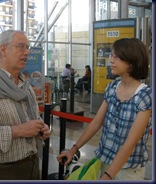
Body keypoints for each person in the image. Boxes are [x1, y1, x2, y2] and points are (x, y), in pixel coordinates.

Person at [57, 38, 152, 180]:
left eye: (117, 57)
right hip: (105, 161)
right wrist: (73, 150)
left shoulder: (145, 96)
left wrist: (108, 176)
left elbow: (130, 142)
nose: (111, 60)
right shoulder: (113, 87)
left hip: (128, 170)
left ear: (132, 62)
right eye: (111, 56)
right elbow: (96, 123)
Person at [0, 30, 51, 180]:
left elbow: (33, 117)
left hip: (32, 164)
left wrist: (41, 128)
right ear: (3, 49)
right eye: (21, 46)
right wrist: (17, 131)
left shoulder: (25, 85)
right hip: (2, 171)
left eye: (28, 47)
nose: (26, 52)